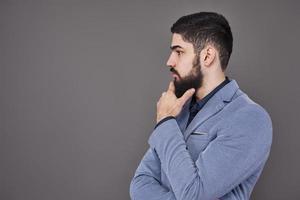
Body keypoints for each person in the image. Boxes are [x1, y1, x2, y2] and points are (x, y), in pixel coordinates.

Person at [129, 12, 273, 200]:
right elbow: (139, 184)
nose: (169, 61)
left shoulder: (250, 118)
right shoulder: (179, 109)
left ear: (207, 56)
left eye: (179, 52)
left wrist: (164, 121)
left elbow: (193, 195)